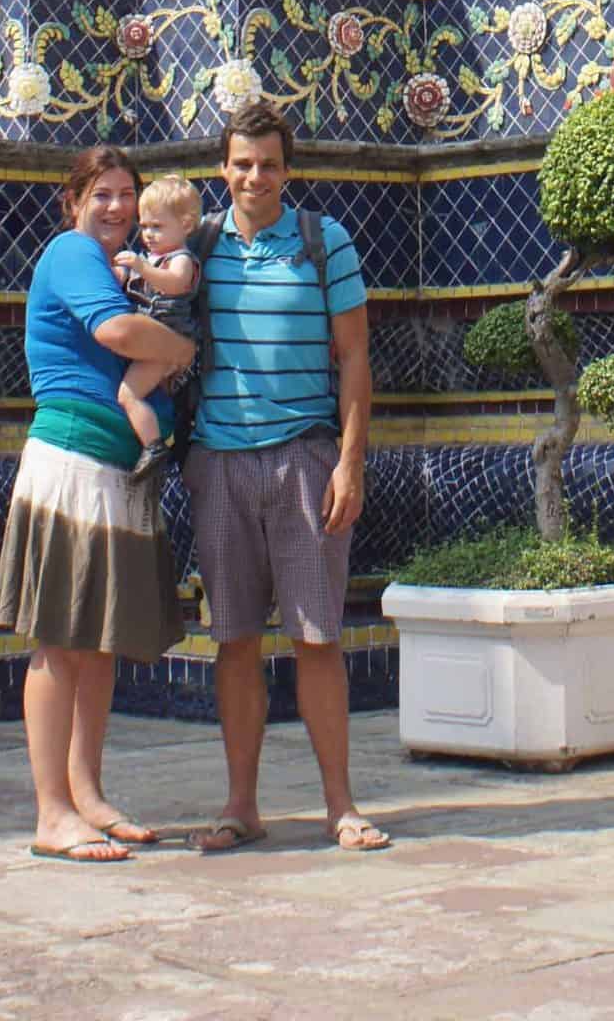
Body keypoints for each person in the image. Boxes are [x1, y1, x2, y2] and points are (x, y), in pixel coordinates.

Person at [184, 99, 390, 854]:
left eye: (268, 164)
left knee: (316, 637)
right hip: (218, 460)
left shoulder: (321, 241)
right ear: (223, 169)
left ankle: (341, 806)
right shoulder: (197, 248)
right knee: (234, 639)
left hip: (305, 458)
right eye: (242, 164)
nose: (255, 177)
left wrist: (348, 461)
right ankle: (241, 805)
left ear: (287, 170)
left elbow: (356, 357)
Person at [0, 144, 193, 865]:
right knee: (60, 641)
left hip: (110, 467)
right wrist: (178, 347)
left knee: (99, 643)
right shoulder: (70, 252)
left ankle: (88, 795)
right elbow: (115, 333)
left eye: (125, 194)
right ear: (73, 201)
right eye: (101, 193)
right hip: (71, 461)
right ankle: (51, 810)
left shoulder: (120, 268)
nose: (115, 206)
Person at [114, 173, 204, 464]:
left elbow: (174, 284)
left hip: (166, 343)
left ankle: (153, 445)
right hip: (148, 339)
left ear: (186, 225)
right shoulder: (150, 259)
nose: (148, 234)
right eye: (144, 226)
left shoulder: (181, 260)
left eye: (157, 226)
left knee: (128, 395)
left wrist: (140, 266)